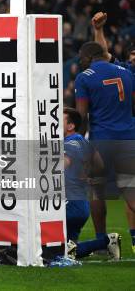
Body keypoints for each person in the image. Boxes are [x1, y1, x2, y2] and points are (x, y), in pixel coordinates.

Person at [75, 40, 135, 253]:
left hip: (101, 141)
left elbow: (81, 115)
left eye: (81, 58)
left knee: (96, 191)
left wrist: (77, 143)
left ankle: (102, 242)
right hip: (129, 138)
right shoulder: (126, 72)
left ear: (88, 57)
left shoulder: (84, 77)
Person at [62, 107, 121, 260]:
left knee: (53, 249)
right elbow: (100, 164)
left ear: (70, 125)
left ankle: (106, 241)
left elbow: (63, 163)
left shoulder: (72, 142)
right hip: (79, 204)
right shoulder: (82, 141)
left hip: (70, 205)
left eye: (59, 120)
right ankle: (106, 242)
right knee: (69, 252)